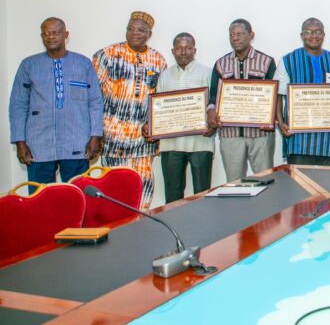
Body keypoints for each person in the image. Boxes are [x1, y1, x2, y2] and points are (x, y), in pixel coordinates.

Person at [10, 17, 103, 189]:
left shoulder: (83, 64)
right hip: (38, 144)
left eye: (55, 33)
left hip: (76, 141)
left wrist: (95, 136)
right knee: (40, 199)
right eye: (46, 33)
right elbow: (18, 104)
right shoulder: (29, 65)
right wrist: (19, 141)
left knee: (79, 195)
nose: (50, 37)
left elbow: (95, 102)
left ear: (66, 35)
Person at [93, 11, 167, 209]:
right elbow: (92, 97)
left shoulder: (158, 60)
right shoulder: (107, 55)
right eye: (131, 29)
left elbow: (163, 100)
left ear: (149, 34)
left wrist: (155, 126)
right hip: (112, 137)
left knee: (144, 188)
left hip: (143, 140)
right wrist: (94, 133)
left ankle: (140, 229)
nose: (135, 33)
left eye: (141, 30)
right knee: (114, 190)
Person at [144, 33, 214, 203]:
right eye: (179, 48)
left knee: (202, 193)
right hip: (171, 144)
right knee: (173, 194)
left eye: (188, 48)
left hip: (200, 142)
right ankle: (174, 228)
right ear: (173, 51)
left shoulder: (208, 73)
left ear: (194, 50)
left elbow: (214, 103)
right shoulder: (165, 75)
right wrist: (151, 125)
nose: (183, 52)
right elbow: (158, 107)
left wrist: (213, 124)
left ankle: (205, 227)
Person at [207, 19, 278, 182]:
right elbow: (213, 94)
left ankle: (267, 209)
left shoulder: (266, 62)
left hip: (260, 134)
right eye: (232, 35)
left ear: (251, 35)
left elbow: (274, 95)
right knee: (234, 183)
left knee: (265, 180)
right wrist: (211, 110)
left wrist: (271, 117)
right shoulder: (221, 63)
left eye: (240, 34)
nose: (235, 38)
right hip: (230, 134)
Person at [279, 18, 330, 166]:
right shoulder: (288, 60)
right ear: (302, 35)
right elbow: (277, 95)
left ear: (324, 35)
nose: (313, 35)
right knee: (299, 186)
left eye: (317, 32)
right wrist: (280, 122)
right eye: (308, 32)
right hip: (299, 140)